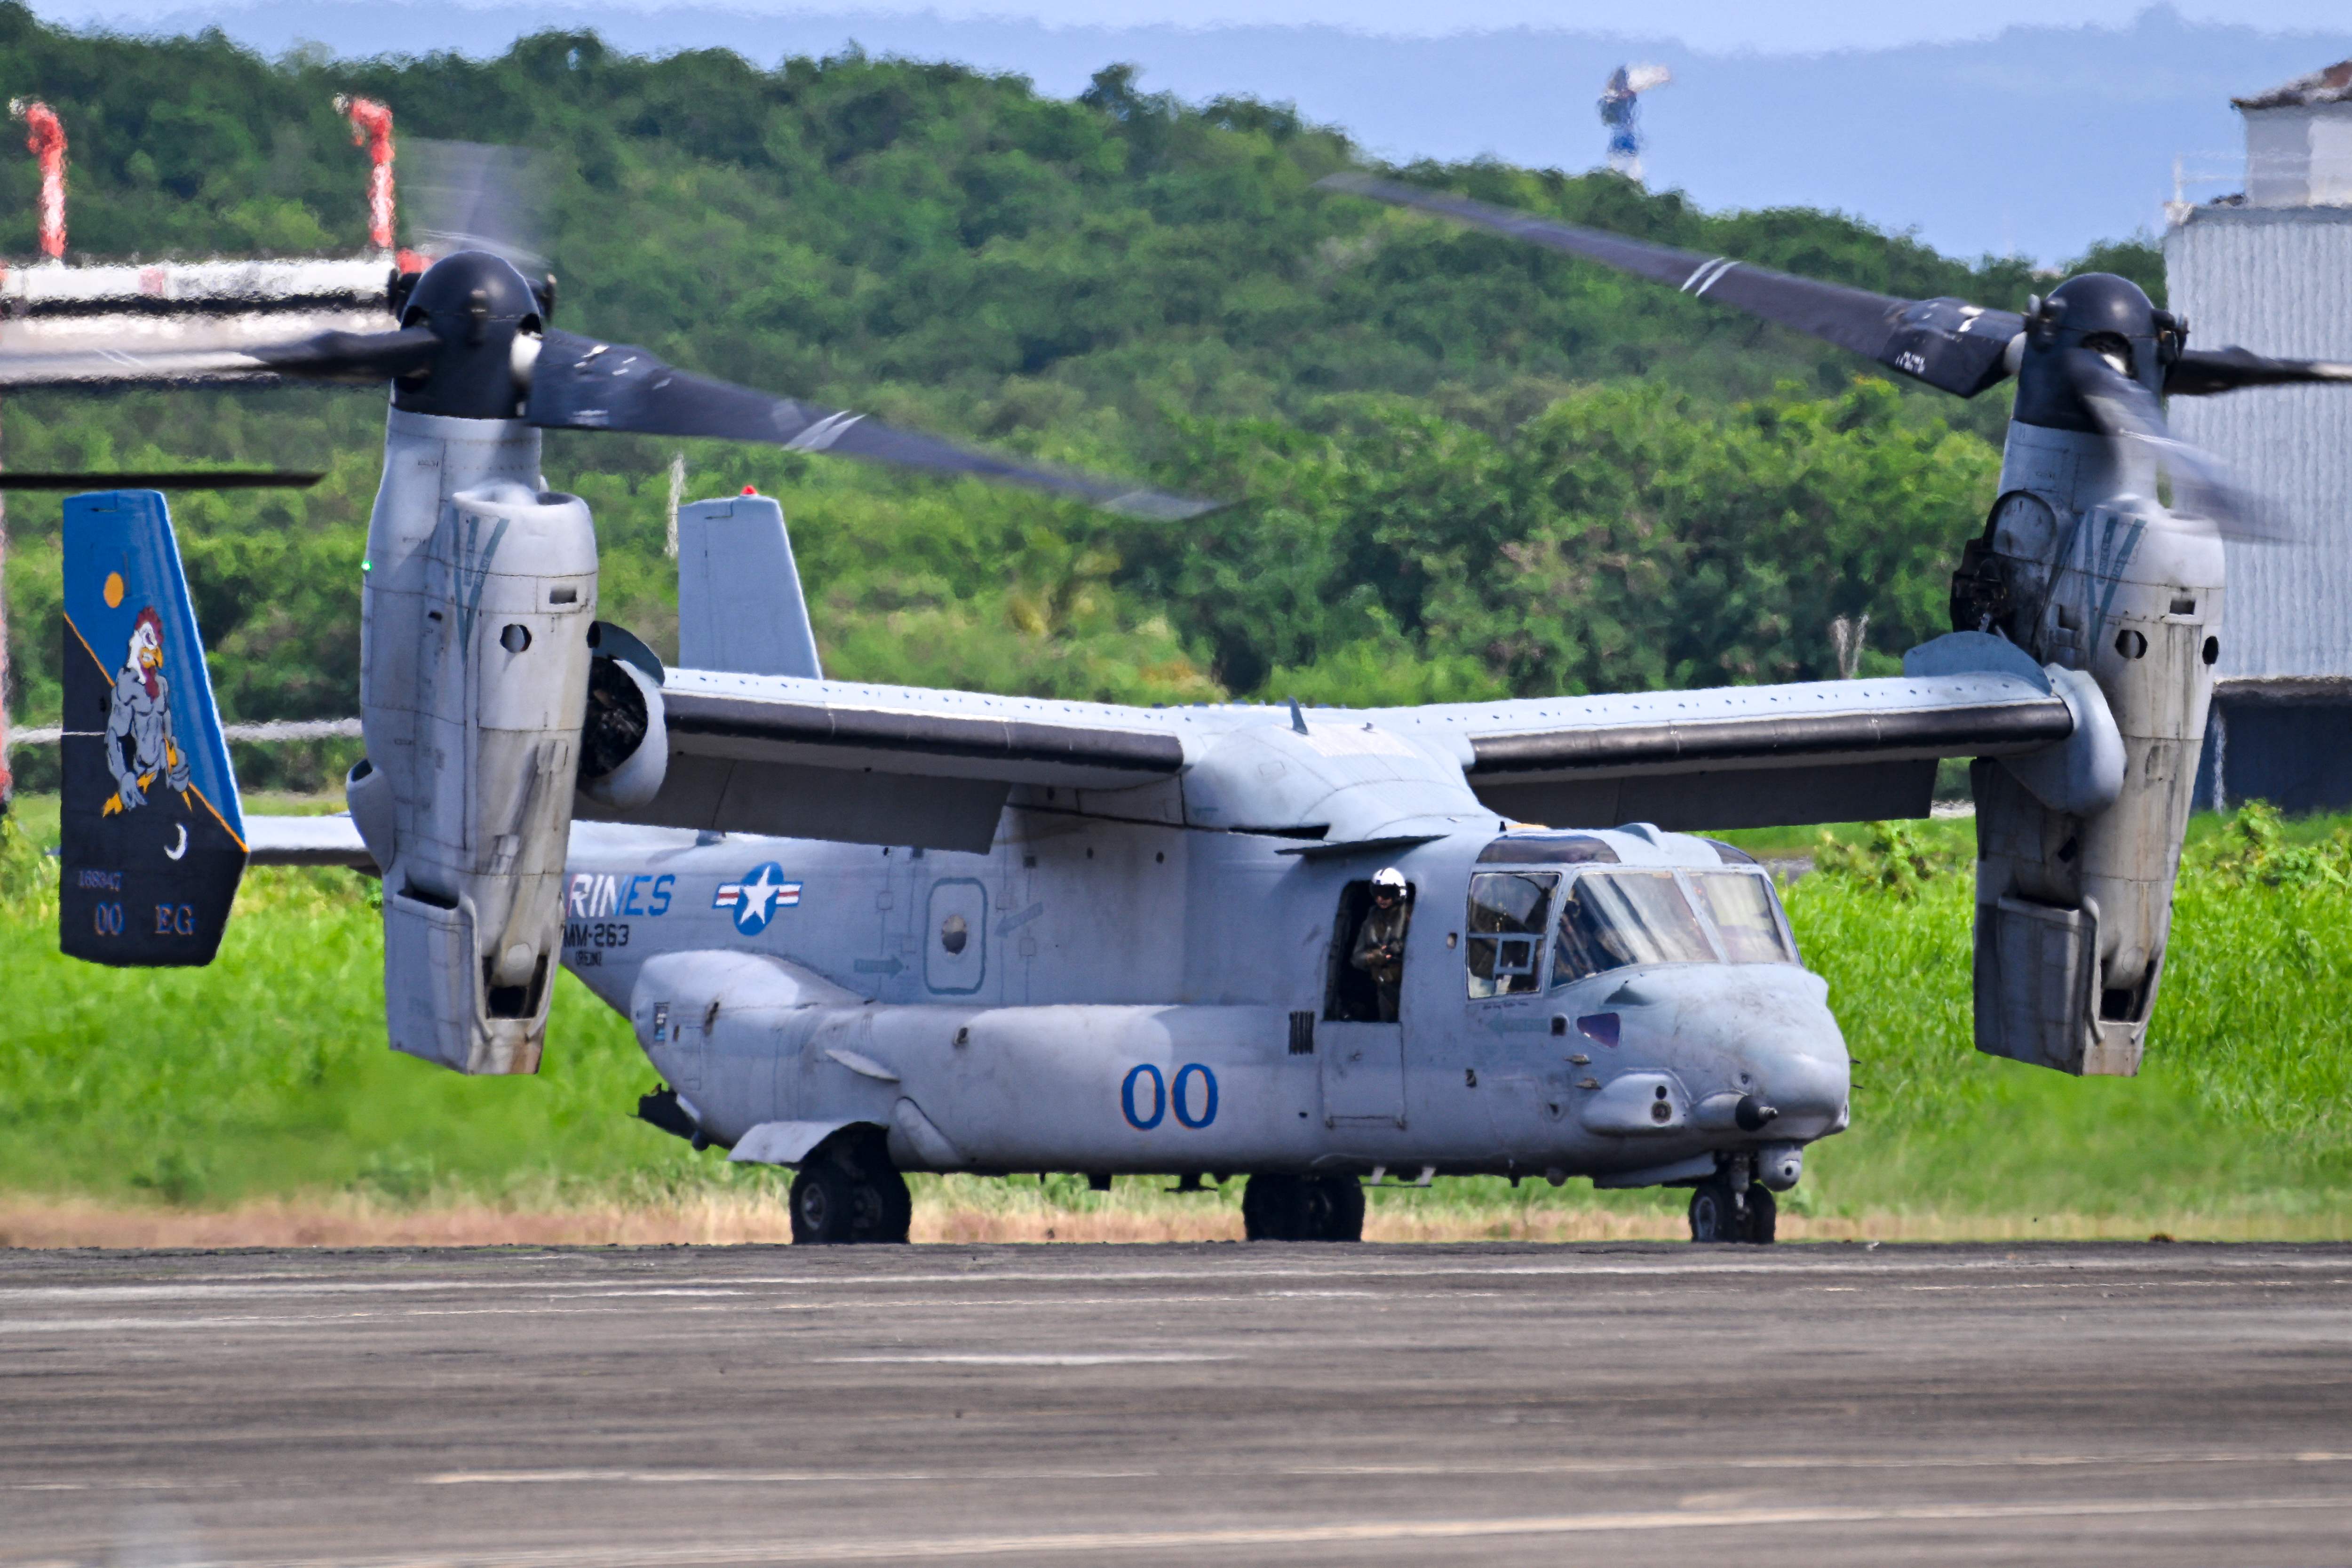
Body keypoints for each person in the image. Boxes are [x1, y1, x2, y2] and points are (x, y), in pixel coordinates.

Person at [1351, 867, 1413, 1022]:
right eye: (1377, 893)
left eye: (1386, 893)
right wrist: (1374, 957)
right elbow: (1356, 958)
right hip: (1384, 990)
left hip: (1410, 988)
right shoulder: (1370, 922)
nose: (1380, 899)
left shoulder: (1410, 917)